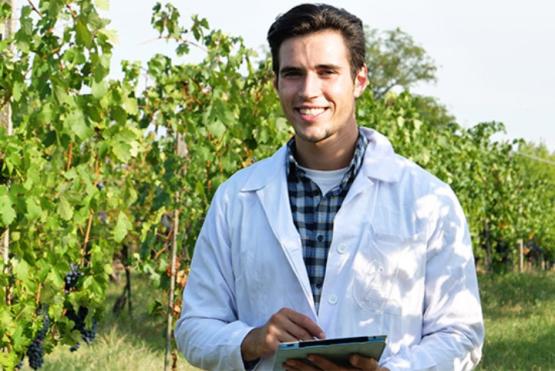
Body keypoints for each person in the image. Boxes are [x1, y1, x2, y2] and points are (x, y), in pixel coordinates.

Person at [175, 3, 484, 370]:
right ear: (276, 82)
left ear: (359, 80)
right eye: (293, 73)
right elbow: (194, 327)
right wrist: (251, 340)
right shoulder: (235, 198)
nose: (309, 90)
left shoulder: (427, 200)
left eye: (327, 72)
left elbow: (460, 334)